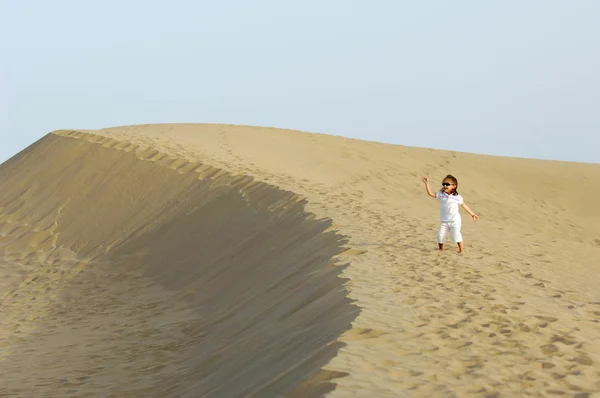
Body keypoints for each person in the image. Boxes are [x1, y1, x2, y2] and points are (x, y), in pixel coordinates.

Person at [421, 174, 478, 253]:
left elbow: (464, 206)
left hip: (455, 221)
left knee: (456, 235)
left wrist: (472, 214)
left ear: (454, 186)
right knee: (440, 236)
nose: (445, 186)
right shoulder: (441, 194)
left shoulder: (457, 197)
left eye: (447, 184)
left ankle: (461, 251)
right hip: (444, 221)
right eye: (443, 184)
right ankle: (440, 249)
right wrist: (427, 184)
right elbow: (431, 193)